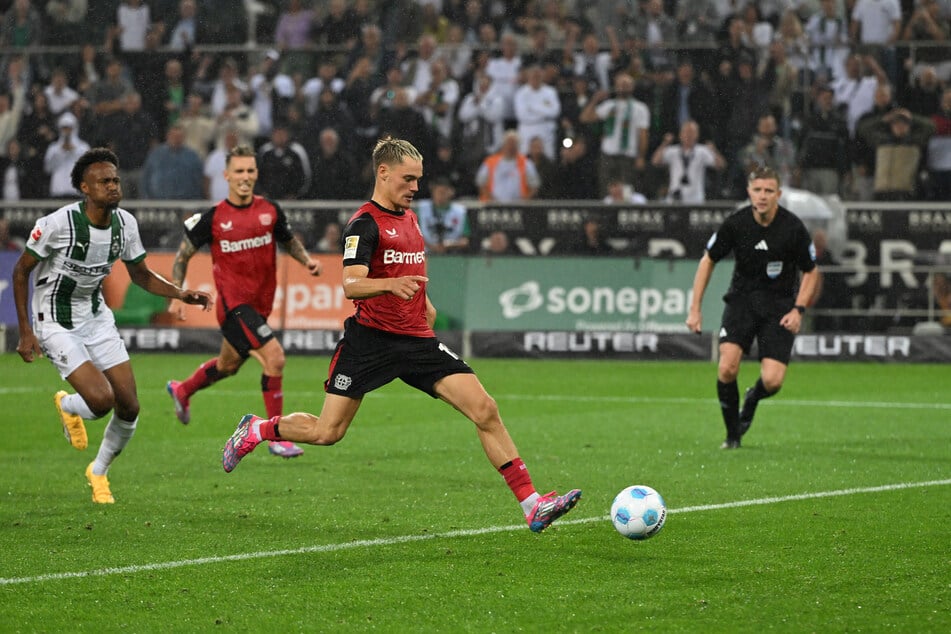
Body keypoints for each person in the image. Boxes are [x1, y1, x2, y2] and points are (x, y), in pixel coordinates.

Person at [220, 136, 581, 532]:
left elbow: (410, 266)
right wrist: (390, 286)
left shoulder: (409, 217)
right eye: (408, 179)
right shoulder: (364, 224)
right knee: (328, 432)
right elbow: (351, 284)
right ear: (383, 173)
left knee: (485, 409)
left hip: (416, 340)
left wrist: (423, 301)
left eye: (418, 180)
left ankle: (532, 503)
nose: (415, 188)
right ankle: (257, 428)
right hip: (370, 342)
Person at [12, 147, 212, 503]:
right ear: (84, 188)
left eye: (116, 180)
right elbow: (20, 271)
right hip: (55, 319)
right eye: (103, 181)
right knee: (101, 399)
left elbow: (140, 275)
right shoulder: (58, 224)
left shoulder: (126, 224)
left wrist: (180, 294)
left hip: (95, 315)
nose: (113, 186)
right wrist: (26, 331)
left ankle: (99, 471)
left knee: (130, 406)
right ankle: (69, 405)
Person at [166, 144, 322, 460]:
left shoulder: (270, 211)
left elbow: (289, 241)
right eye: (239, 171)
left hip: (260, 305)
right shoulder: (212, 218)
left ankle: (182, 389)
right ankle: (276, 435)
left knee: (228, 366)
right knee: (275, 358)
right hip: (233, 307)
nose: (245, 177)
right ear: (226, 175)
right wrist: (177, 295)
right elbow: (182, 257)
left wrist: (307, 262)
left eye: (250, 171)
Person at [686, 166, 819, 450]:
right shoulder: (736, 223)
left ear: (778, 194)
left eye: (769, 191)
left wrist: (798, 310)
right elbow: (708, 260)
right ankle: (733, 435)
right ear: (749, 192)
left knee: (772, 381)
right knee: (727, 368)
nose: (762, 196)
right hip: (742, 302)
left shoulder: (792, 227)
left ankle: (753, 397)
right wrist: (695, 309)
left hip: (780, 307)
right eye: (757, 190)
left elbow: (811, 271)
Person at [415, 176, 470, 254]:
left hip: (452, 254)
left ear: (451, 192)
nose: (441, 195)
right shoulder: (422, 209)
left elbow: (465, 240)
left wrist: (448, 245)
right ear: (432, 192)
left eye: (444, 192)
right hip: (425, 254)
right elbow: (414, 234)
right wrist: (432, 247)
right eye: (438, 192)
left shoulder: (460, 212)